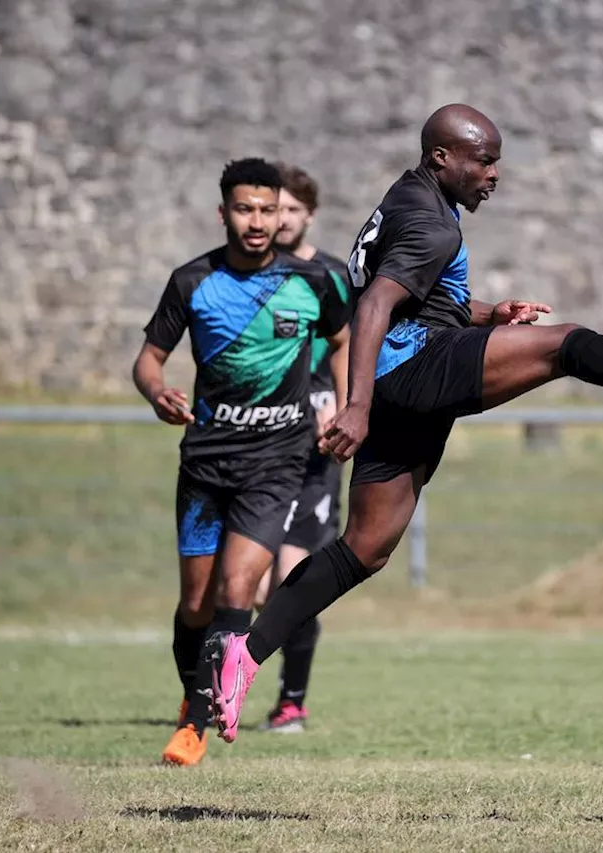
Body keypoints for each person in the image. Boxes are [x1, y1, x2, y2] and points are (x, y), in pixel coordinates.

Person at [204, 103, 603, 742]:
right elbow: (373, 307)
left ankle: (243, 653)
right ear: (442, 158)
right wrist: (357, 406)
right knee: (566, 345)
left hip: (402, 380)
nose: (495, 173)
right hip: (409, 374)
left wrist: (485, 314)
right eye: (484, 160)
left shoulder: (405, 199)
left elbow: (412, 291)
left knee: (364, 549)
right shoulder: (434, 224)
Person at [132, 158, 350, 765]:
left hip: (276, 463)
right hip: (205, 463)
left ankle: (197, 725)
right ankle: (190, 697)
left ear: (282, 211)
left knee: (240, 587)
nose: (258, 222)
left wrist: (342, 403)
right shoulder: (192, 280)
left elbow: (343, 339)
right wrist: (158, 393)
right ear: (223, 212)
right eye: (245, 209)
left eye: (268, 209)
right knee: (196, 604)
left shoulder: (312, 282)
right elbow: (148, 360)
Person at [250, 163, 353, 734]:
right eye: (273, 209)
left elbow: (350, 347)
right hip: (261, 448)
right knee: (255, 585)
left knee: (297, 580)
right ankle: (210, 689)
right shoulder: (250, 275)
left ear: (308, 214)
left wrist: (342, 404)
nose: (281, 219)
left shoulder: (334, 276)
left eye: (291, 209)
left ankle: (291, 702)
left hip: (315, 458)